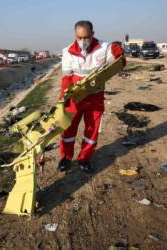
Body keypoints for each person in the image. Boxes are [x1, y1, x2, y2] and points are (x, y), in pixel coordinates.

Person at [58, 20, 125, 173]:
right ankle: (66, 158)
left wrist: (118, 51)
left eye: (86, 37)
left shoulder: (104, 48)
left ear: (93, 34)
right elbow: (67, 78)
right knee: (68, 128)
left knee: (92, 130)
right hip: (75, 97)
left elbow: (118, 62)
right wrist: (63, 98)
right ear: (75, 36)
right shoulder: (67, 51)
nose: (82, 41)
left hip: (95, 97)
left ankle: (84, 158)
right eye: (79, 38)